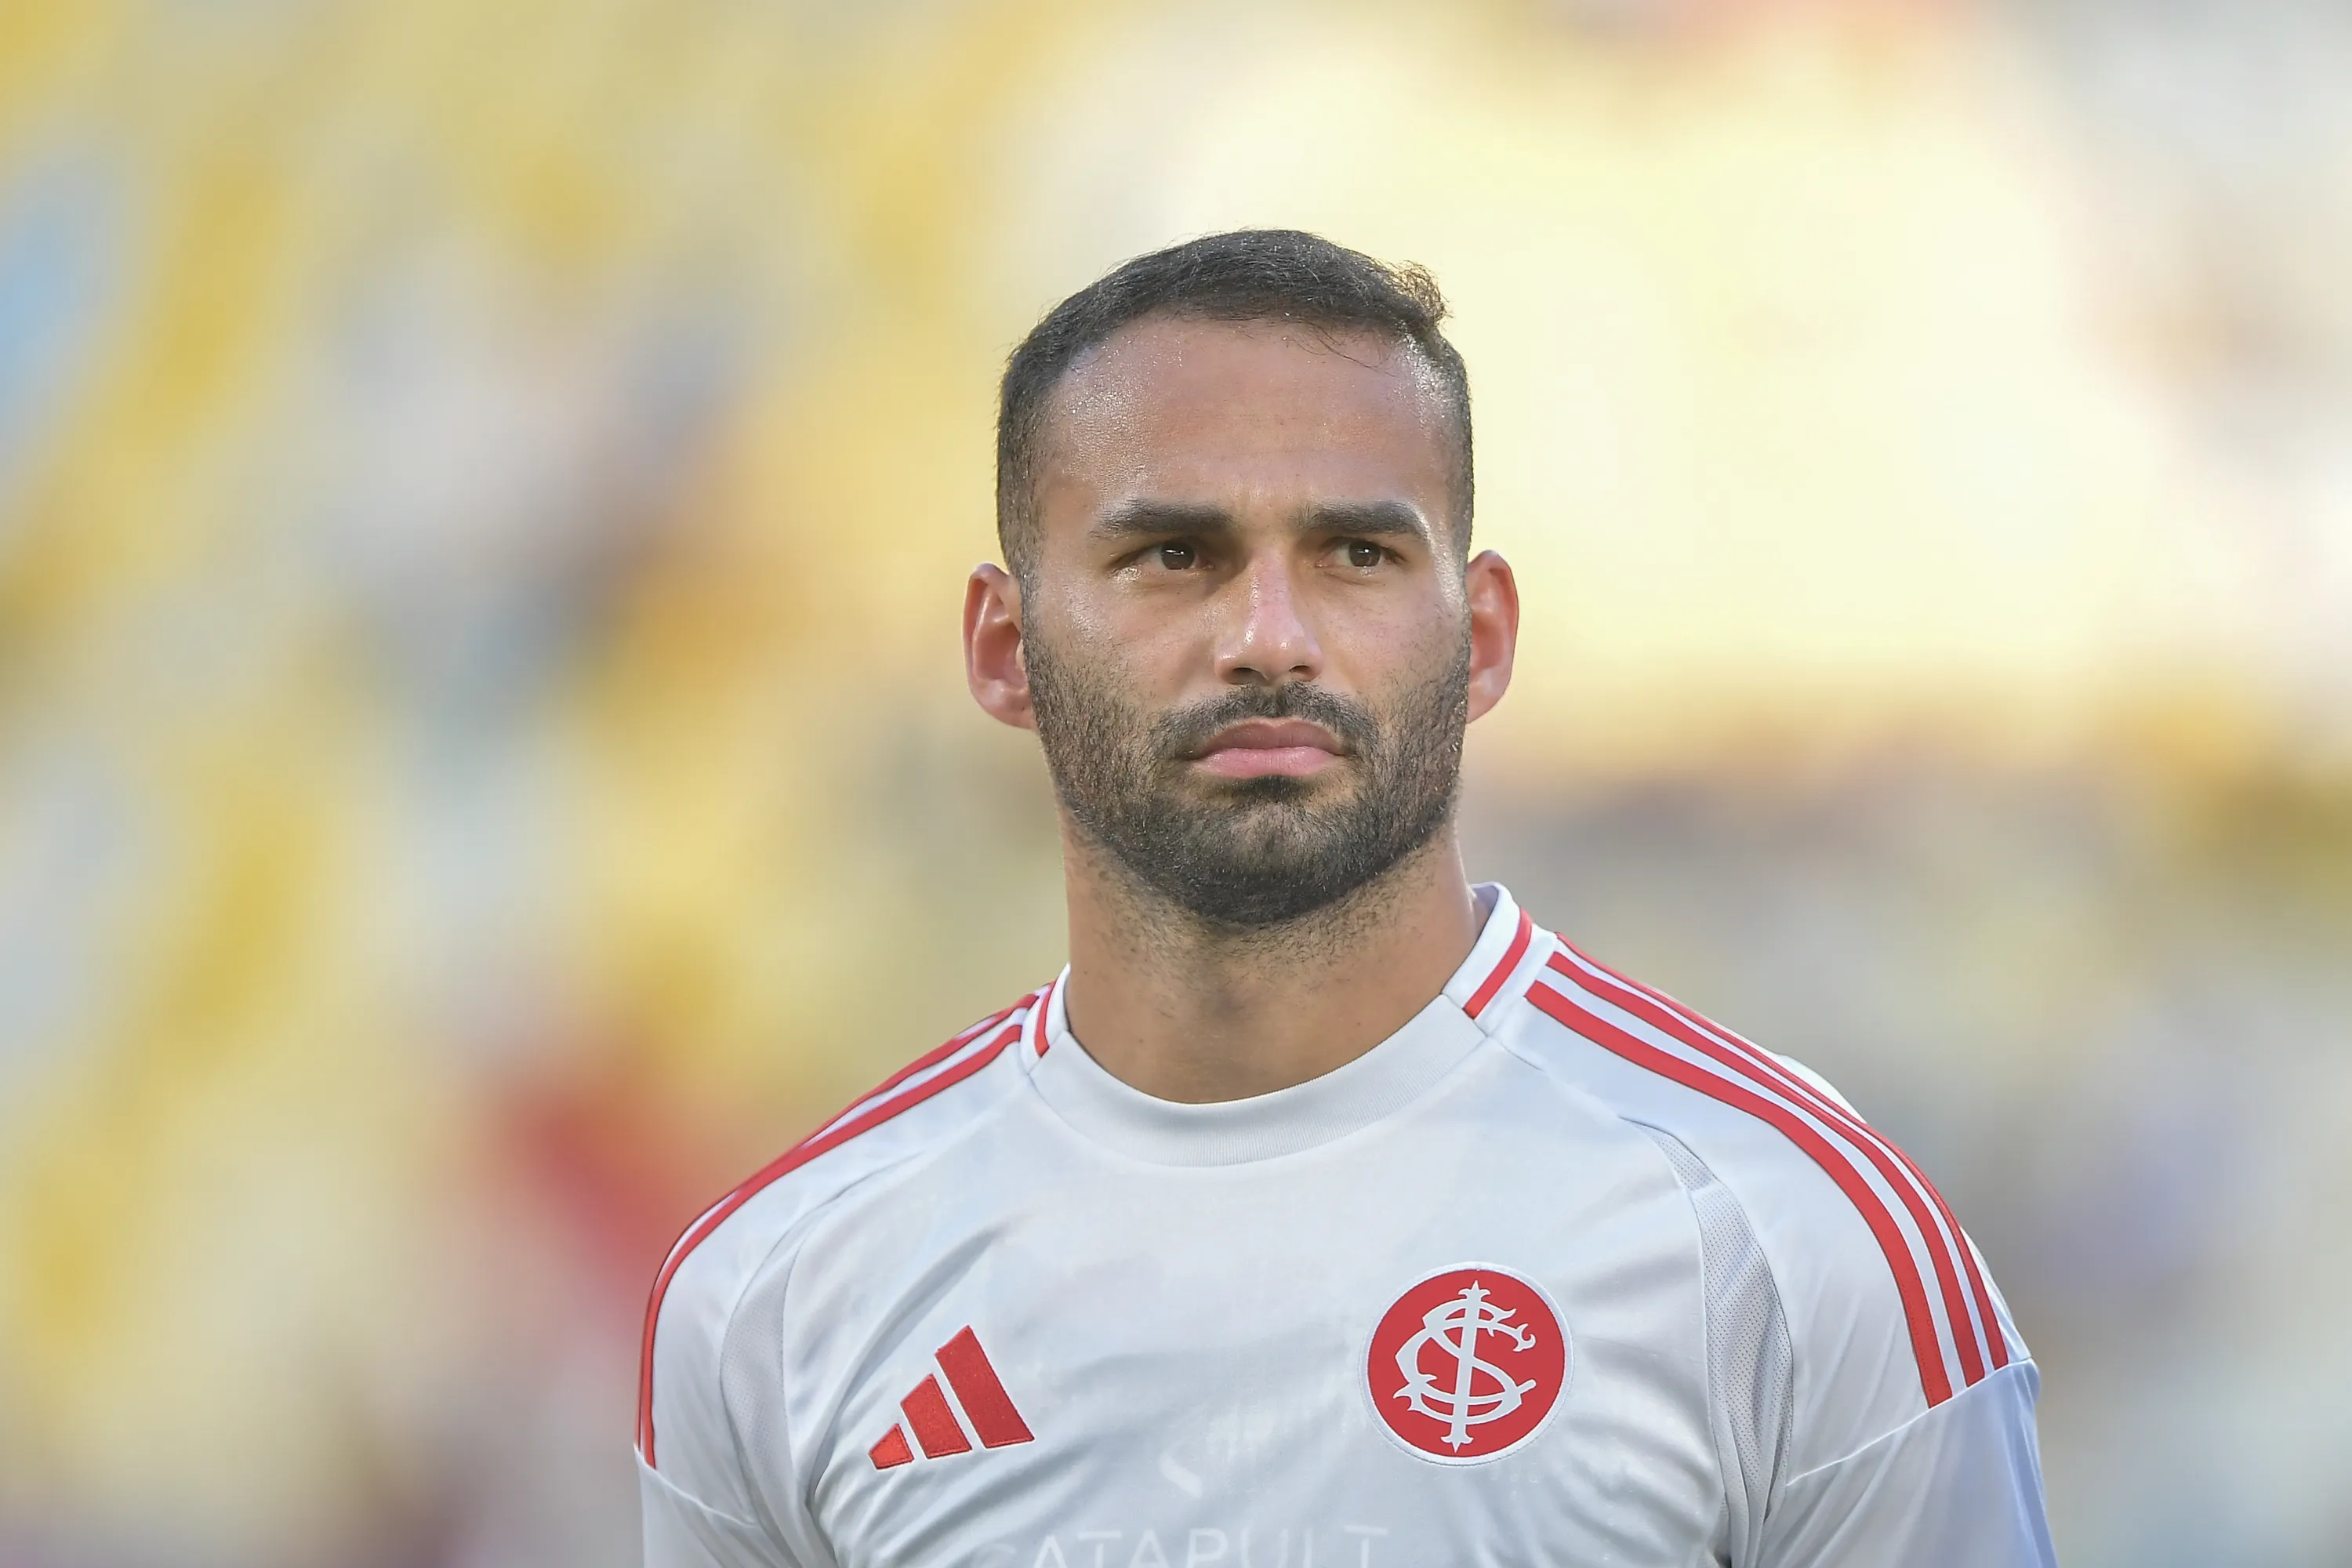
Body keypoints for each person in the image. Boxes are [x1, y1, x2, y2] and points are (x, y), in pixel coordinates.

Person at [636, 230, 2056, 1568]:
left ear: (1481, 638)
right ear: (1006, 648)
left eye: (1357, 554)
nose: (1269, 638)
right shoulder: (781, 1295)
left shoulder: (1784, 1242)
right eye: (1173, 556)